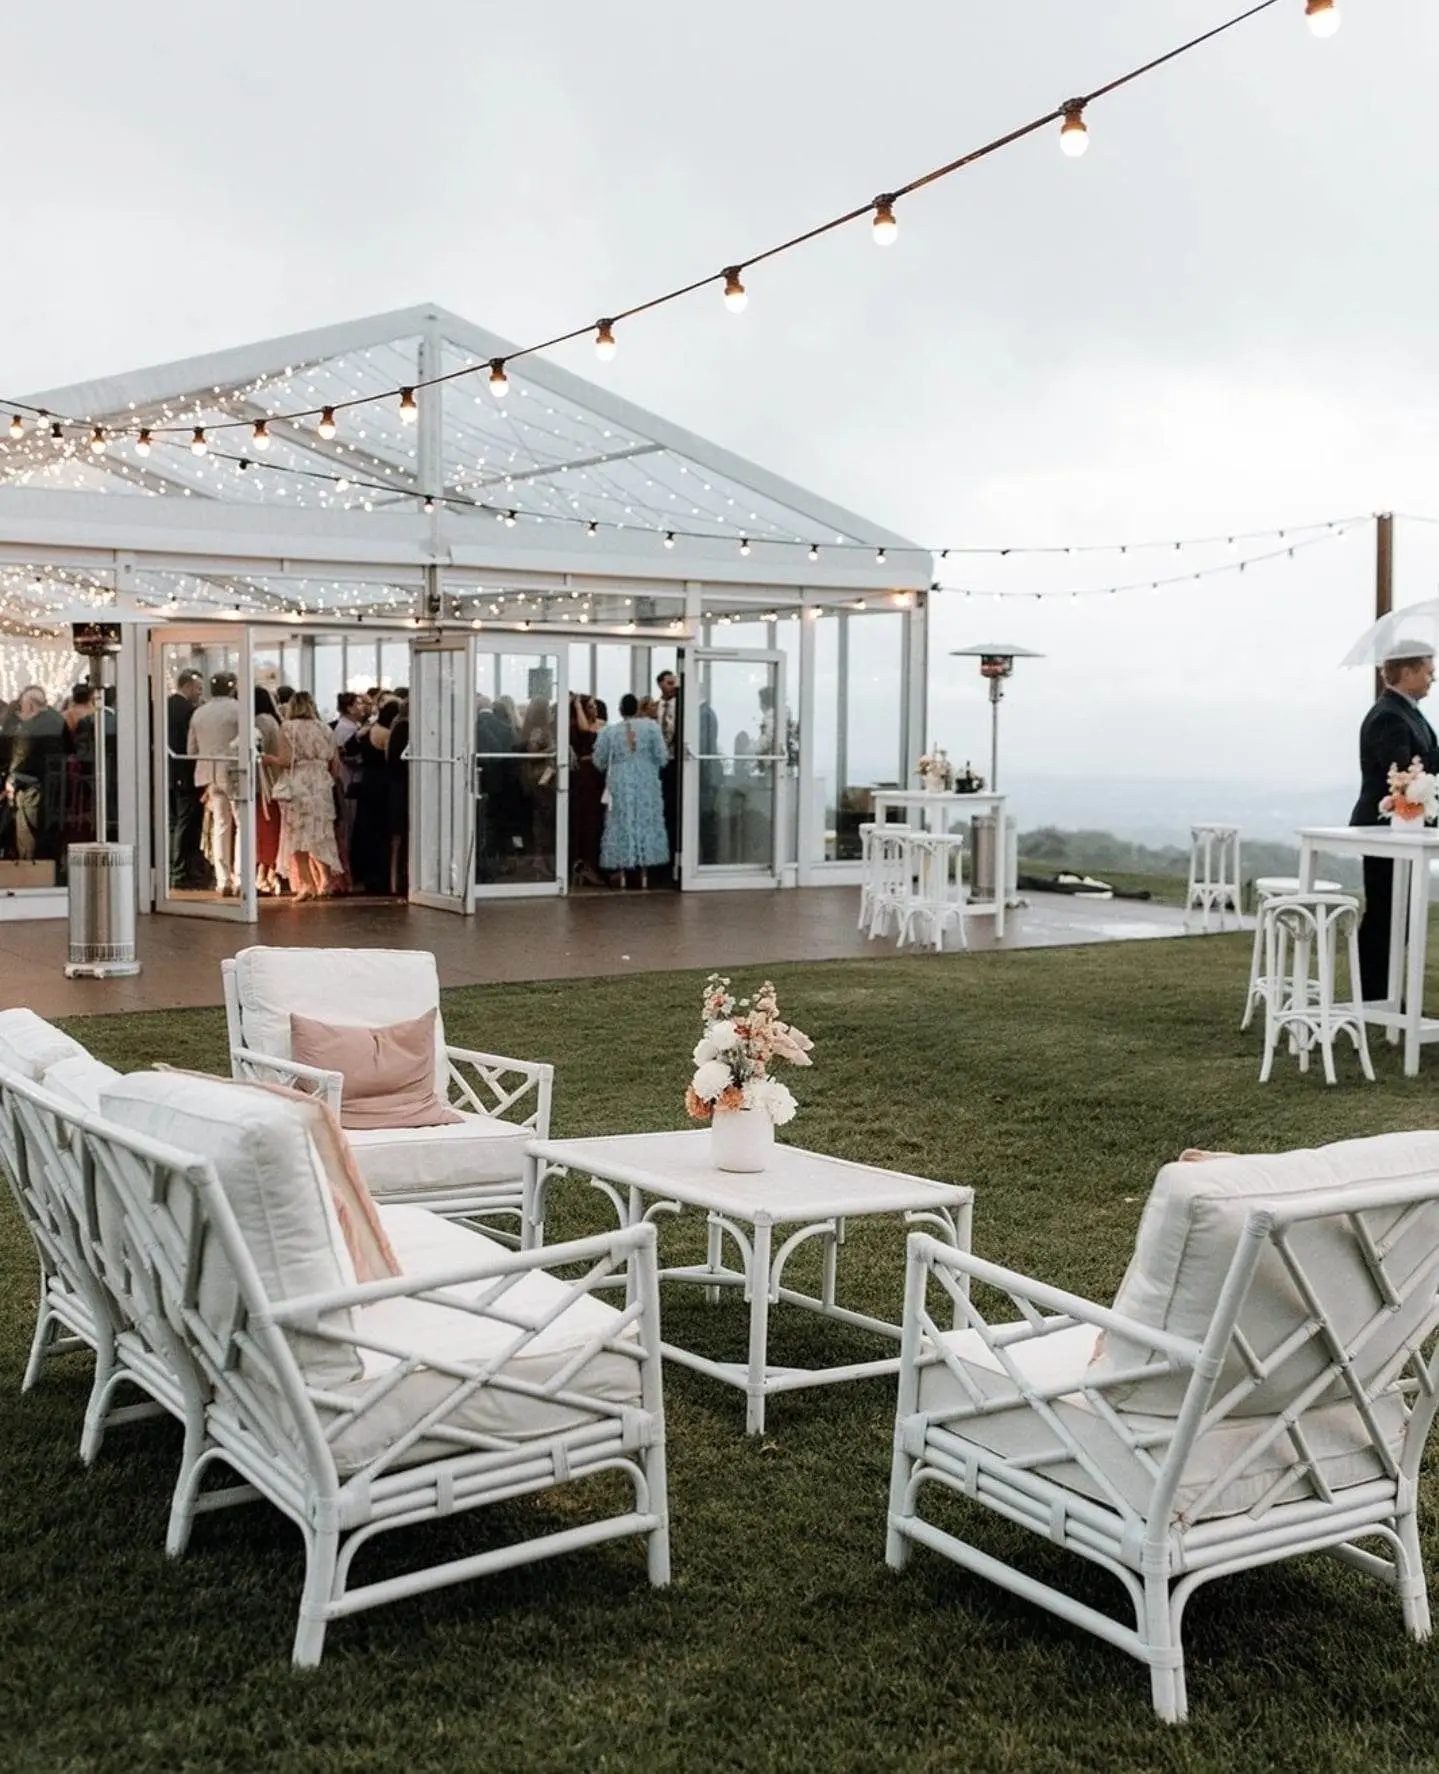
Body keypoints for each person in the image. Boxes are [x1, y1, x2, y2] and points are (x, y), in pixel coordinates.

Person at [1351, 639, 1439, 999]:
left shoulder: (1406, 710)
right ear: (1407, 672)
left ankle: (1386, 995)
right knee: (1385, 915)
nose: (1433, 678)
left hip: (1403, 830)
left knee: (1396, 915)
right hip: (1384, 827)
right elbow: (1402, 772)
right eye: (1428, 671)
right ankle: (1375, 995)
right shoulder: (1389, 715)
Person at [593, 692, 669, 889]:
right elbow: (662, 756)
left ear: (620, 710)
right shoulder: (651, 728)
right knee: (645, 820)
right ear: (637, 709)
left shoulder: (609, 732)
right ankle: (644, 873)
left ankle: (623, 872)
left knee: (621, 821)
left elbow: (598, 761)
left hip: (620, 781)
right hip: (646, 780)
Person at [271, 691, 341, 900]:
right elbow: (335, 761)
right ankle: (326, 881)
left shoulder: (288, 728)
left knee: (297, 834)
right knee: (321, 833)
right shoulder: (325, 728)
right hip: (321, 782)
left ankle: (307, 883)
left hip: (298, 782)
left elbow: (285, 760)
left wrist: (268, 760)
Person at [188, 672, 242, 894]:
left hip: (209, 773)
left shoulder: (200, 713)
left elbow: (191, 749)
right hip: (236, 772)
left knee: (220, 825)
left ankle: (222, 880)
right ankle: (241, 878)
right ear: (232, 688)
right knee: (242, 825)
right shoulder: (239, 709)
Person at [3, 686, 66, 864]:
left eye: (22, 707)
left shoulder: (29, 729)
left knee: (24, 825)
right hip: (56, 789)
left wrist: (11, 781)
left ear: (30, 706)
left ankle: (28, 865)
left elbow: (20, 763)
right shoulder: (57, 719)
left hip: (34, 788)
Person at [167, 668, 207, 887]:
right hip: (184, 772)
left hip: (168, 772)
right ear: (189, 686)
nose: (200, 693)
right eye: (198, 689)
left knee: (173, 821)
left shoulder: (165, 706)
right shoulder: (187, 711)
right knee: (185, 822)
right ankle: (180, 869)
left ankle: (173, 866)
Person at [568, 693, 606, 888]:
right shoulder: (578, 727)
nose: (594, 710)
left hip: (599, 776)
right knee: (586, 820)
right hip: (585, 778)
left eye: (595, 706)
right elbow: (585, 730)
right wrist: (577, 704)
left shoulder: (602, 724)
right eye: (590, 706)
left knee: (597, 820)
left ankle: (592, 864)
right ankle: (584, 864)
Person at [253, 686, 284, 894]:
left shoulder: (260, 722)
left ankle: (265, 873)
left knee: (265, 829)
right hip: (275, 780)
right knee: (272, 828)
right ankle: (270, 872)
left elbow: (258, 752)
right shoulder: (274, 721)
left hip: (265, 783)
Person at [656, 668, 681, 883]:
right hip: (658, 764)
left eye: (675, 682)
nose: (673, 687)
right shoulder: (656, 708)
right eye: (669, 682)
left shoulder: (680, 707)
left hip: (675, 762)